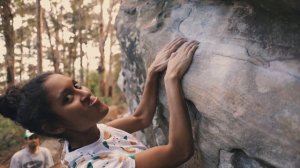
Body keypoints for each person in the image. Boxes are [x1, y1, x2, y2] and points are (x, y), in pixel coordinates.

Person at [0, 37, 199, 168]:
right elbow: (179, 151)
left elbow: (141, 118)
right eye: (68, 98)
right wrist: (171, 80)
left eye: (76, 85)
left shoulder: (93, 132)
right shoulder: (95, 164)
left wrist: (152, 73)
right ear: (54, 127)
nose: (84, 93)